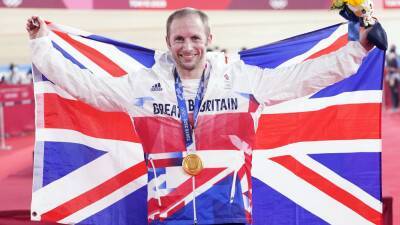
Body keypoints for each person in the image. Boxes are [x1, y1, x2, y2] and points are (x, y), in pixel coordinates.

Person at [27, 8, 376, 225]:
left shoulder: (243, 80)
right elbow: (86, 87)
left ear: (209, 38)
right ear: (168, 41)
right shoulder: (143, 87)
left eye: (195, 37)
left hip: (231, 215)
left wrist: (357, 48)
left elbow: (304, 78)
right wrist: (42, 45)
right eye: (179, 38)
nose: (187, 46)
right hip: (166, 215)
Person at [386, 44, 400, 111]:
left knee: (394, 90)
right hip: (391, 76)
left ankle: (395, 106)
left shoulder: (396, 56)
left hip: (394, 75)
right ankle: (395, 106)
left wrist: (392, 69)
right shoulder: (388, 56)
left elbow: (398, 68)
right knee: (393, 90)